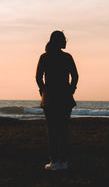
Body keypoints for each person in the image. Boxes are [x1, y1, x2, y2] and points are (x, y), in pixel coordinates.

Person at [35, 30, 79, 170]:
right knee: (63, 130)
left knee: (52, 131)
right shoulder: (67, 57)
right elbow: (75, 76)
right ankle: (63, 161)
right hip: (65, 98)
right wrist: (71, 90)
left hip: (49, 99)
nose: (66, 41)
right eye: (64, 39)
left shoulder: (44, 57)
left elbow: (38, 77)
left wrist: (43, 90)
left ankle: (54, 161)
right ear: (59, 41)